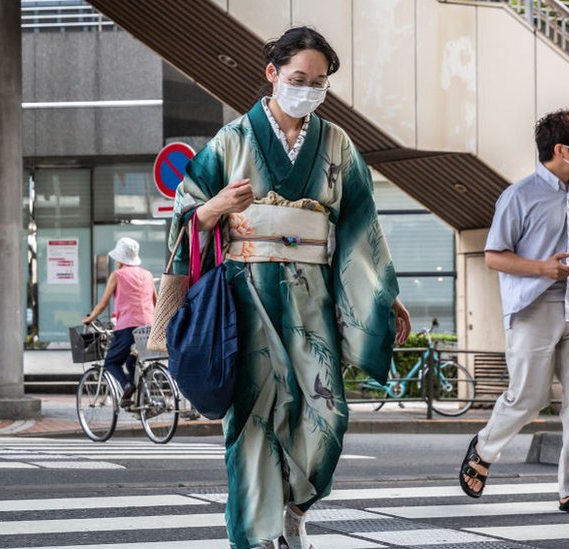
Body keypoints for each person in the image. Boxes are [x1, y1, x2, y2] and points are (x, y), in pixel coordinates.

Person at [168, 26, 412, 549]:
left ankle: (295, 506)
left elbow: (359, 224)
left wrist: (383, 295)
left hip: (312, 296)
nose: (307, 89)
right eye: (298, 78)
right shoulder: (231, 140)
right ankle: (257, 536)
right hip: (246, 294)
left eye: (318, 82)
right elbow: (185, 211)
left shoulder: (337, 144)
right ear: (273, 73)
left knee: (329, 413)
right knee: (254, 417)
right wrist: (215, 209)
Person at [458, 109, 569, 516]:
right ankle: (485, 447)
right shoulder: (519, 195)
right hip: (534, 305)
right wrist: (543, 268)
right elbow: (494, 256)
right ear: (562, 149)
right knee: (529, 397)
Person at [83, 237, 156, 407]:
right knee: (132, 362)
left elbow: (102, 304)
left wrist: (89, 319)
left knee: (111, 362)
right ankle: (135, 399)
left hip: (128, 327)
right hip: (148, 327)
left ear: (120, 258)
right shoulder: (147, 275)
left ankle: (126, 385)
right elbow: (156, 302)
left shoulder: (117, 275)